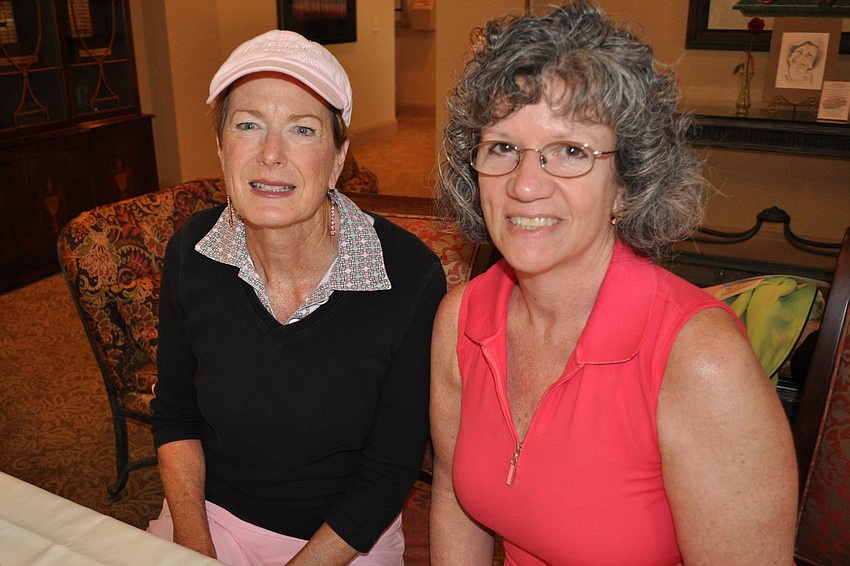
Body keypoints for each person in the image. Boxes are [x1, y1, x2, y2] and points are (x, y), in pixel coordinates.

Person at [429, 2, 798, 564]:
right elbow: (457, 506)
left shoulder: (700, 362)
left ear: (626, 184)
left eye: (571, 151)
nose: (526, 185)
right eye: (503, 147)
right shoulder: (462, 320)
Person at [148, 29, 446, 565]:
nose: (270, 154)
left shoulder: (407, 277)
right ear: (220, 149)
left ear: (337, 159)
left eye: (302, 130)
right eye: (248, 125)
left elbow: (388, 470)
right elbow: (175, 418)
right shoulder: (193, 252)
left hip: (343, 541)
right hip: (207, 521)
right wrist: (194, 550)